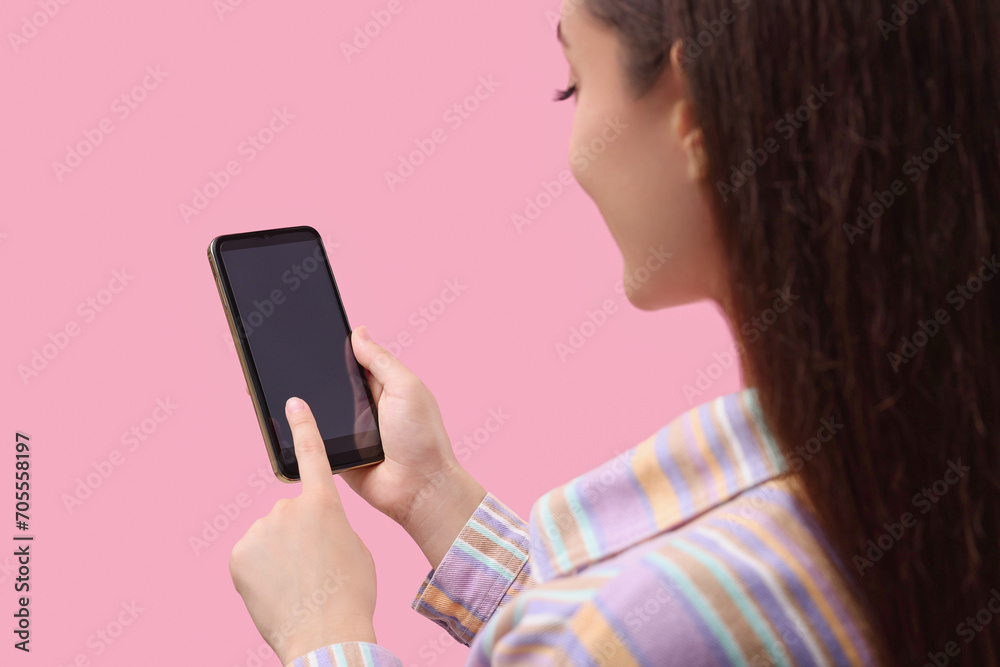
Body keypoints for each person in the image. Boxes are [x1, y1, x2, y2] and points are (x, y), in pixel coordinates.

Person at [227, 0, 1000, 665]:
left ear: (693, 117)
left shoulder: (677, 607)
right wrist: (433, 497)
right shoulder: (902, 484)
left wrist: (321, 629)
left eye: (575, 83)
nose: (576, 151)